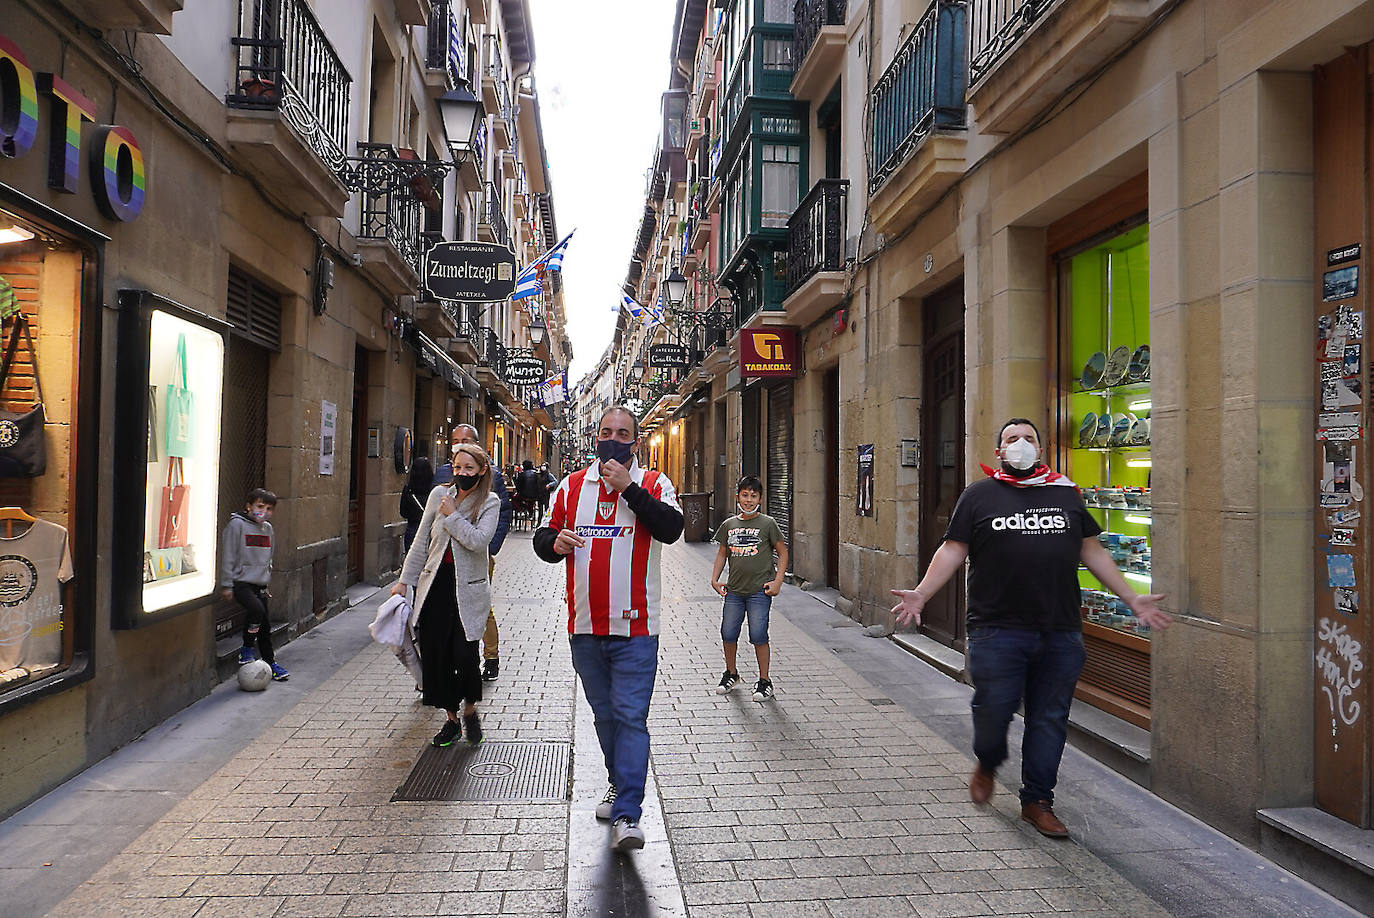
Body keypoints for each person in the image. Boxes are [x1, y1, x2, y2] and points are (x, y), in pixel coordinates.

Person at [890, 418, 1171, 838]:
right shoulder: (980, 495)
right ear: (999, 450)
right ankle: (987, 760)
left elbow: (1091, 550)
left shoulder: (1065, 493)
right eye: (1011, 438)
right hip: (996, 628)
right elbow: (953, 549)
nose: (1021, 444)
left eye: (1029, 439)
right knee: (994, 710)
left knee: (1049, 719)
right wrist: (922, 594)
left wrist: (1131, 598)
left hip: (1059, 629)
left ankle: (1038, 800)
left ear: (1041, 449)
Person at [533, 406, 683, 853]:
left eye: (622, 434)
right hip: (584, 628)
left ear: (635, 442)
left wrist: (629, 489)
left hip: (637, 629)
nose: (613, 440)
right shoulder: (572, 486)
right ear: (595, 438)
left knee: (631, 716)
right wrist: (553, 545)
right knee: (604, 716)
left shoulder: (655, 484)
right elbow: (545, 538)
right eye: (605, 432)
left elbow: (672, 528)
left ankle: (628, 814)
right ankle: (619, 784)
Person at [392, 443, 501, 746]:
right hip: (435, 586)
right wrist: (404, 581)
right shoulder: (438, 496)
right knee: (437, 657)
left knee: (465, 656)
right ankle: (451, 719)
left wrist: (453, 516)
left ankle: (469, 710)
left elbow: (479, 542)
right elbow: (421, 542)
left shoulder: (489, 502)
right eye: (457, 468)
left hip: (467, 590)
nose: (462, 473)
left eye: (468, 468)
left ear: (481, 470)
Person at [710, 475, 787, 701]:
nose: (749, 500)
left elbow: (782, 552)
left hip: (759, 592)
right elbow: (722, 553)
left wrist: (778, 581)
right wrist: (715, 579)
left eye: (753, 496)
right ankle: (731, 673)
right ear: (738, 497)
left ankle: (765, 681)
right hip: (734, 591)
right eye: (745, 495)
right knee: (728, 632)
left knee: (758, 634)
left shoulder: (768, 524)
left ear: (760, 499)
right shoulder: (729, 525)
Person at [445, 425, 512, 681]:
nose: (458, 444)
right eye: (455, 440)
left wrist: (489, 546)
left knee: (481, 607)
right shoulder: (446, 474)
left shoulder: (491, 478)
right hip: (447, 560)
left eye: (464, 440)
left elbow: (502, 512)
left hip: (477, 556)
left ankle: (491, 656)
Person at [220, 488, 288, 681]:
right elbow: (228, 555)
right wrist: (226, 584)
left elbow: (268, 558)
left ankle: (271, 663)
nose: (264, 512)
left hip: (260, 585)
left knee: (265, 627)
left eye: (269, 508)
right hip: (240, 582)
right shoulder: (236, 526)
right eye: (259, 506)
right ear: (248, 506)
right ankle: (247, 647)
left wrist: (266, 583)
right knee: (256, 610)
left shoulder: (268, 529)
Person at [399, 457, 434, 552]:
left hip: (413, 527)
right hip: (430, 529)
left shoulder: (408, 490)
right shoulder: (434, 490)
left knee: (412, 560)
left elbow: (403, 512)